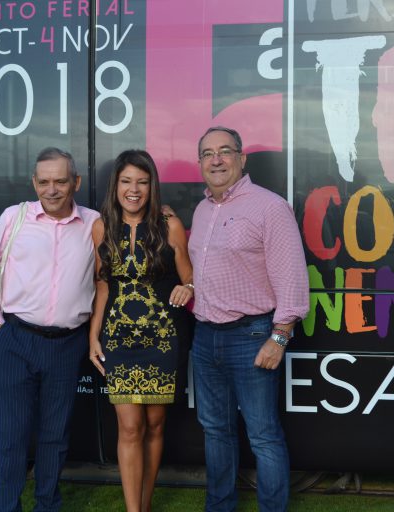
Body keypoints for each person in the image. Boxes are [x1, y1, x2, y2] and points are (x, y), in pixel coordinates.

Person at [0, 147, 99, 512]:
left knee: (55, 435)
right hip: (15, 340)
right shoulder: (14, 217)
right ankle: (6, 506)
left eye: (60, 181)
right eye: (44, 182)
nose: (51, 190)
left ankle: (47, 505)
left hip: (67, 344)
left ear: (76, 182)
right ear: (34, 182)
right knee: (11, 436)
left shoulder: (94, 223)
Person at [188, 126, 310, 512]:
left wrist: (280, 337)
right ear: (200, 163)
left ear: (242, 159)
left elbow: (291, 276)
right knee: (215, 431)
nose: (216, 160)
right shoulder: (202, 210)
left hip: (252, 336)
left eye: (225, 151)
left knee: (263, 436)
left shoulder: (269, 207)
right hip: (205, 336)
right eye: (208, 154)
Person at [89, 149, 194, 512]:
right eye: (126, 181)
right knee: (130, 426)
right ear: (115, 185)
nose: (133, 190)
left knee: (154, 424)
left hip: (163, 338)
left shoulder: (170, 225)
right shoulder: (101, 227)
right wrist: (93, 336)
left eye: (142, 182)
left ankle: (144, 506)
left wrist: (188, 288)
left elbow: (190, 276)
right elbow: (102, 284)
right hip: (118, 337)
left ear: (152, 186)